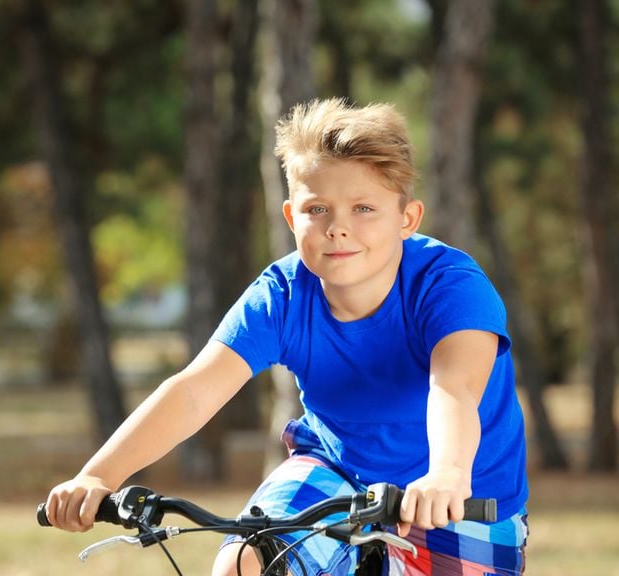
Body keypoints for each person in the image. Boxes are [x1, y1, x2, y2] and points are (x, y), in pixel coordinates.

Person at [45, 97, 529, 576]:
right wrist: (97, 475)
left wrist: (447, 473)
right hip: (336, 475)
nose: (338, 228)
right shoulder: (281, 296)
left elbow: (455, 387)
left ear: (407, 219)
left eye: (364, 208)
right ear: (291, 217)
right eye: (317, 209)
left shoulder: (450, 285)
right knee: (247, 560)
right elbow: (194, 391)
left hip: (462, 496)